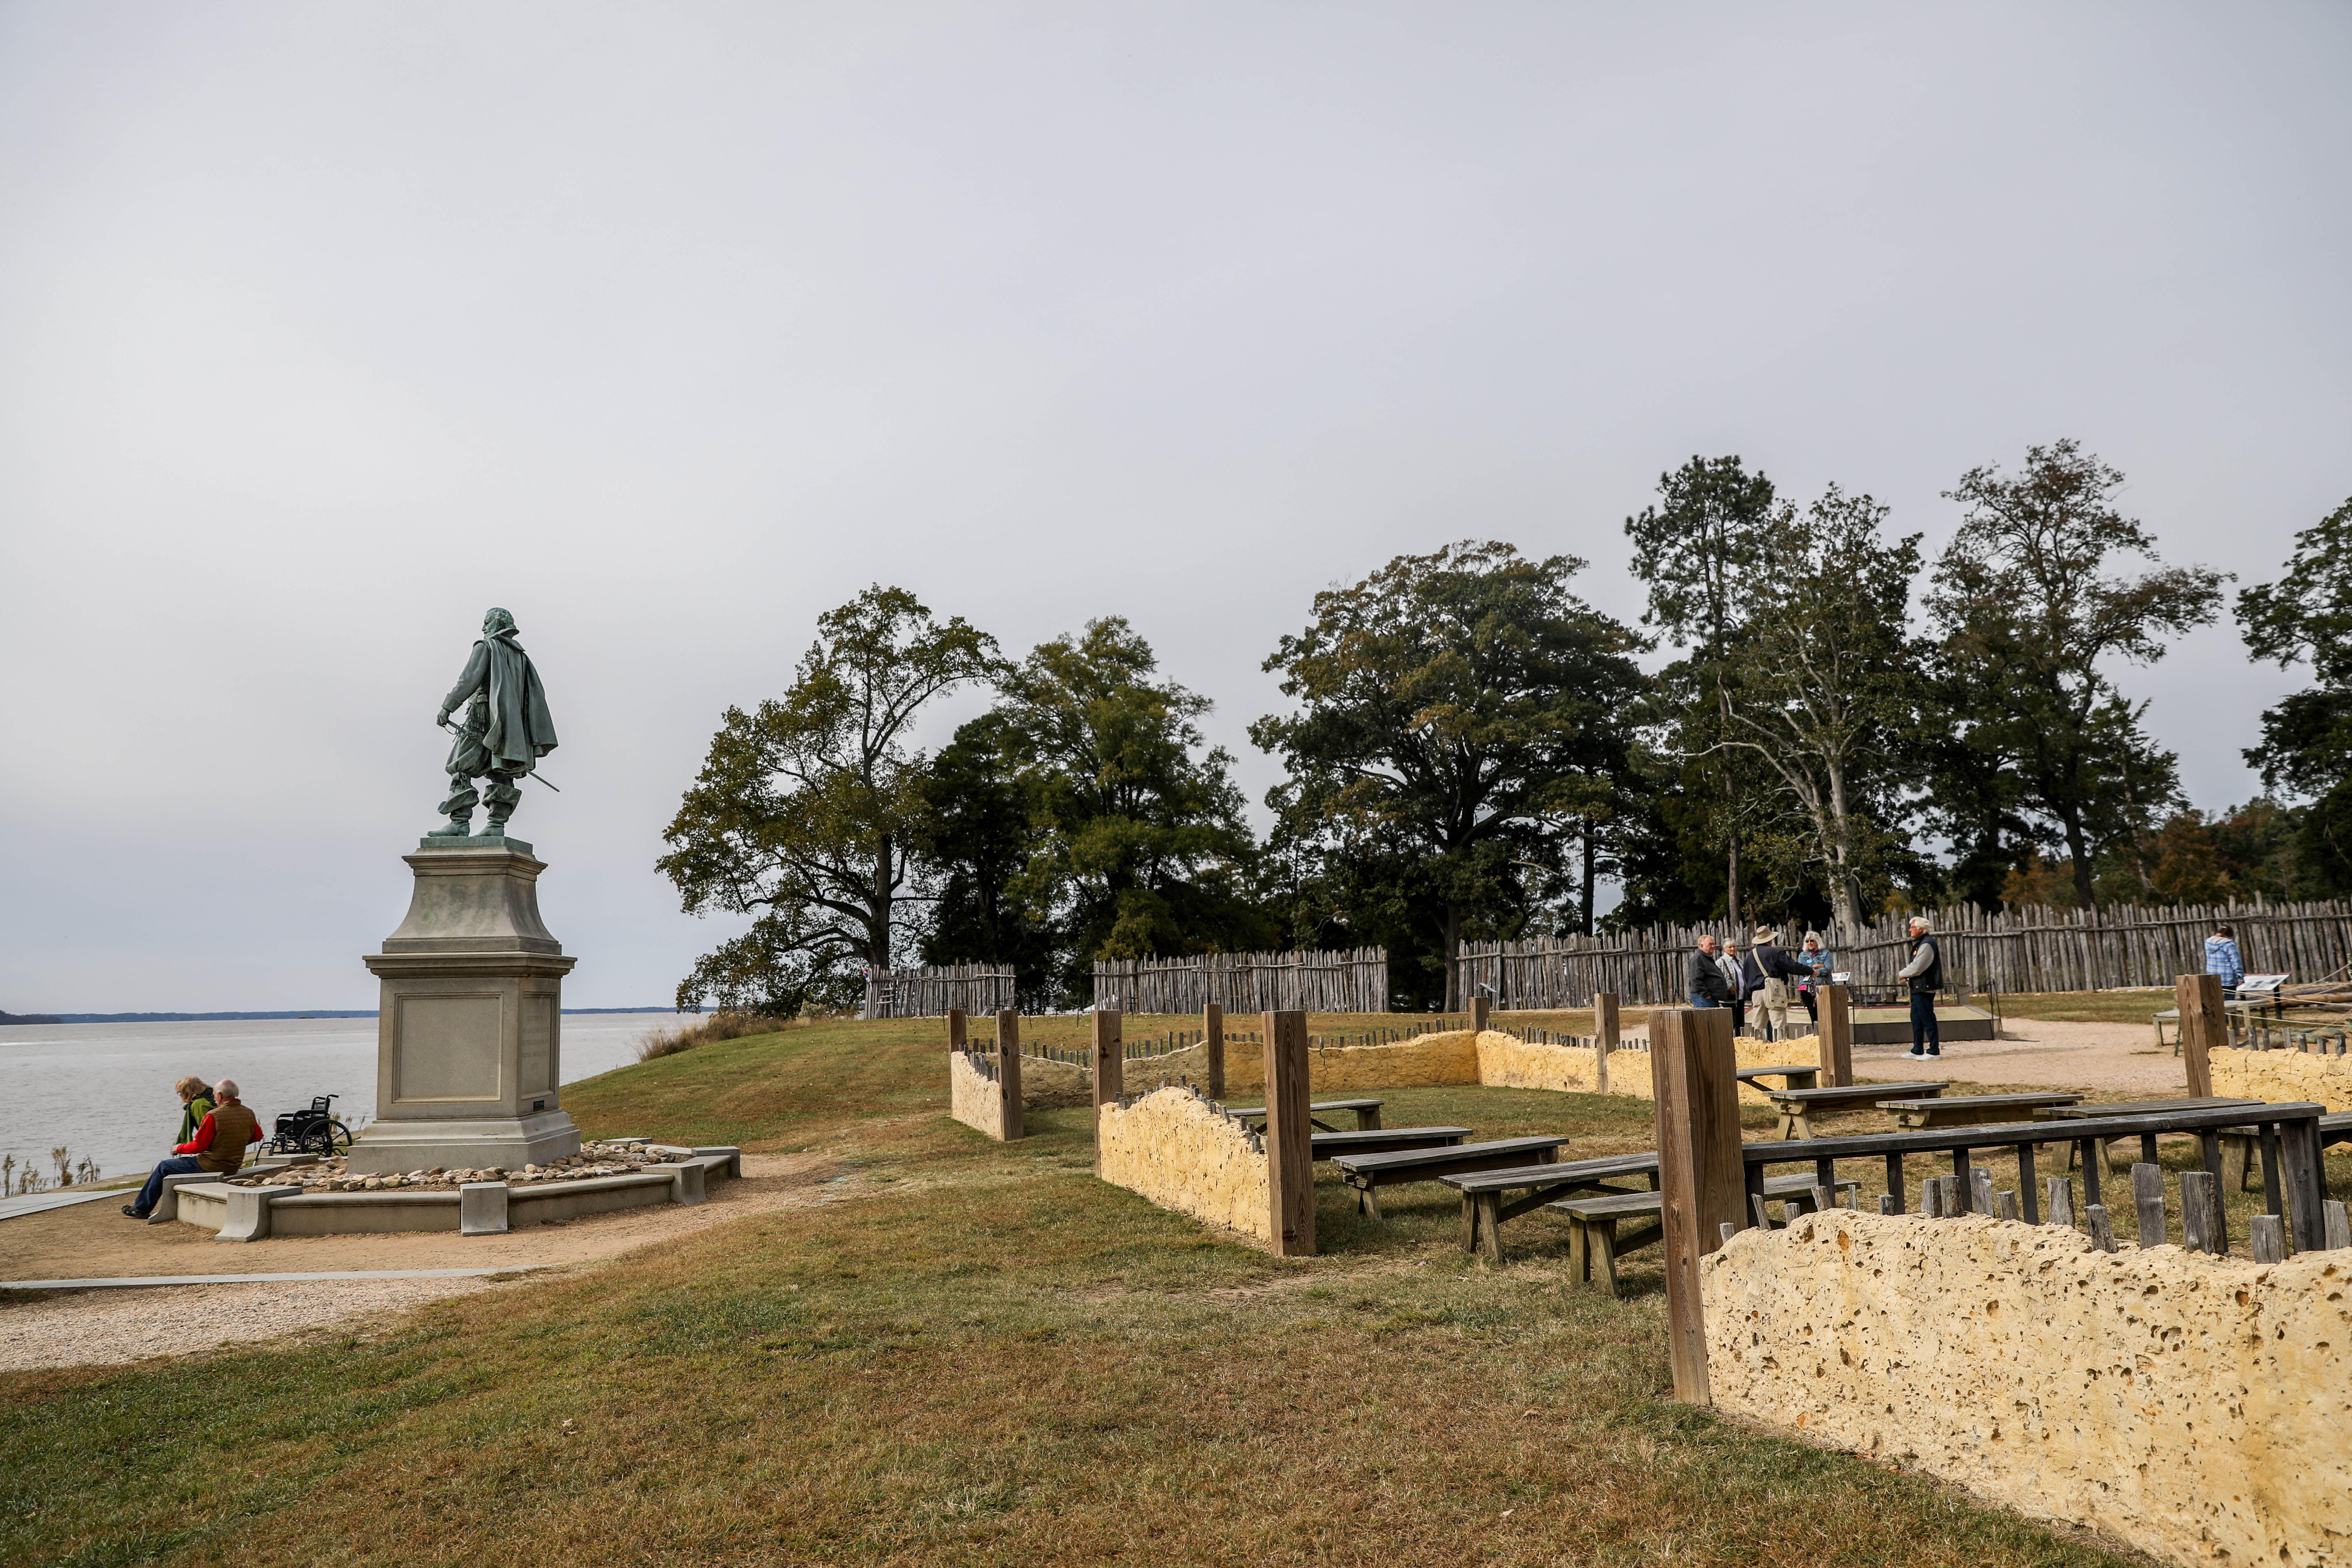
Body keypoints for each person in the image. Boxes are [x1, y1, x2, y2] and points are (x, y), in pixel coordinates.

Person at [429, 607, 559, 840]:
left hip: (481, 719)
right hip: (511, 727)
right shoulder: (521, 657)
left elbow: (468, 679)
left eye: (486, 623)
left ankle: (460, 822)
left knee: (459, 766)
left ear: (495, 625)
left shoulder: (486, 646)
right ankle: (496, 824)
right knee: (502, 771)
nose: (483, 628)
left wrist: (448, 706)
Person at [124, 1078, 262, 1219]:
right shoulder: (249, 1113)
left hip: (211, 1165)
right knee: (175, 1166)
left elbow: (199, 1146)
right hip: (234, 1165)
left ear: (220, 1096)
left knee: (164, 1166)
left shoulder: (214, 1116)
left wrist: (179, 1148)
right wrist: (234, 1143)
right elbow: (258, 1136)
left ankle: (141, 1208)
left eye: (214, 1095)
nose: (214, 1098)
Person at [1748, 928, 1812, 1040]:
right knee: (1779, 1024)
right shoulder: (1774, 952)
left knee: (1758, 1024)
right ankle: (1780, 1050)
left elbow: (1746, 976)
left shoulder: (1749, 956)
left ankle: (1756, 1051)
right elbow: (1792, 966)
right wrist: (1810, 972)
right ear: (1770, 940)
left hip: (1756, 993)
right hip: (1773, 990)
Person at [1898, 916, 1944, 1059]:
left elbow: (1918, 967)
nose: (1910, 930)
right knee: (1917, 1019)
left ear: (1921, 929)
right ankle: (1917, 1049)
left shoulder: (1927, 944)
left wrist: (1902, 973)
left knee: (1927, 1018)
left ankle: (1934, 1051)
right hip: (1917, 986)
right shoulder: (1921, 944)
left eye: (1913, 927)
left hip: (1925, 987)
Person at [1796, 936, 1835, 1025]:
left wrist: (1811, 971)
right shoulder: (1802, 955)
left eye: (1812, 941)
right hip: (1807, 988)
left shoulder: (1826, 953)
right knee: (1813, 1015)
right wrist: (1819, 967)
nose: (1809, 943)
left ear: (1818, 941)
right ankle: (1817, 1036)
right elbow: (1801, 970)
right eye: (1807, 941)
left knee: (1826, 1014)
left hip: (1823, 987)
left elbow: (1828, 969)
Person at [1686, 934, 1732, 1008]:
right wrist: (1706, 995)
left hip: (1710, 998)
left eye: (1714, 944)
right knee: (1706, 1019)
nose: (1713, 946)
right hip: (1703, 998)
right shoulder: (1698, 959)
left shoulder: (1706, 958)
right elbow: (1696, 980)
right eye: (1711, 944)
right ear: (1702, 946)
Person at [173, 1074, 215, 1146]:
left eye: (180, 1092)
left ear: (187, 1092)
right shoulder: (216, 1097)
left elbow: (205, 1131)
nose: (180, 1095)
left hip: (215, 1147)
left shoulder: (199, 1105)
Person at [2205, 923, 2244, 997]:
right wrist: (2240, 977)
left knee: (2216, 1002)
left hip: (2213, 977)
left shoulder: (2207, 943)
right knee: (2228, 1003)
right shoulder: (2229, 945)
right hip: (2228, 978)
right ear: (2228, 936)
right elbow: (2236, 962)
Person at [1721, 940, 1751, 1035]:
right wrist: (1729, 985)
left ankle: (1740, 1041)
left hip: (1740, 997)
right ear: (1725, 949)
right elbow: (1720, 977)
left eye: (1734, 947)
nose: (1733, 949)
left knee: (1741, 1022)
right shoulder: (1721, 962)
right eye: (1730, 947)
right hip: (1730, 998)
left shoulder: (1739, 961)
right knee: (1732, 1022)